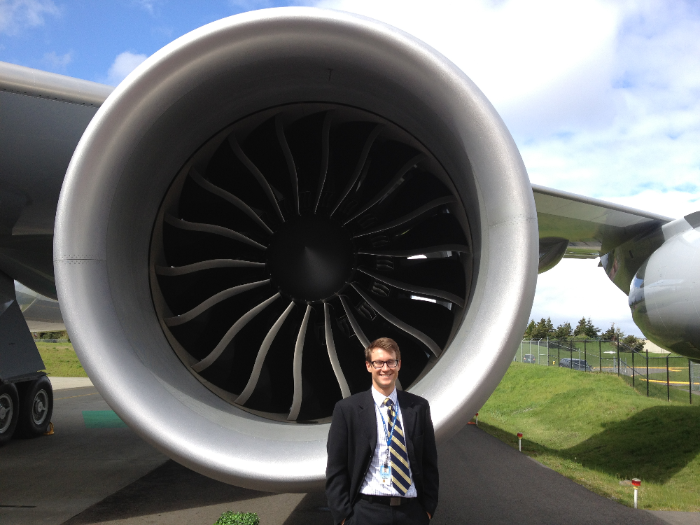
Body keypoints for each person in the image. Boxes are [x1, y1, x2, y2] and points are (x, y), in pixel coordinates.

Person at [326, 337, 439, 525]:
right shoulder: (347, 410)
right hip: (366, 512)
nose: (385, 368)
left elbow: (429, 463)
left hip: (411, 513)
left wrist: (427, 510)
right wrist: (344, 516)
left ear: (399, 364)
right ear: (368, 366)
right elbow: (336, 468)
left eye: (390, 362)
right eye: (378, 362)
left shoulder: (418, 407)